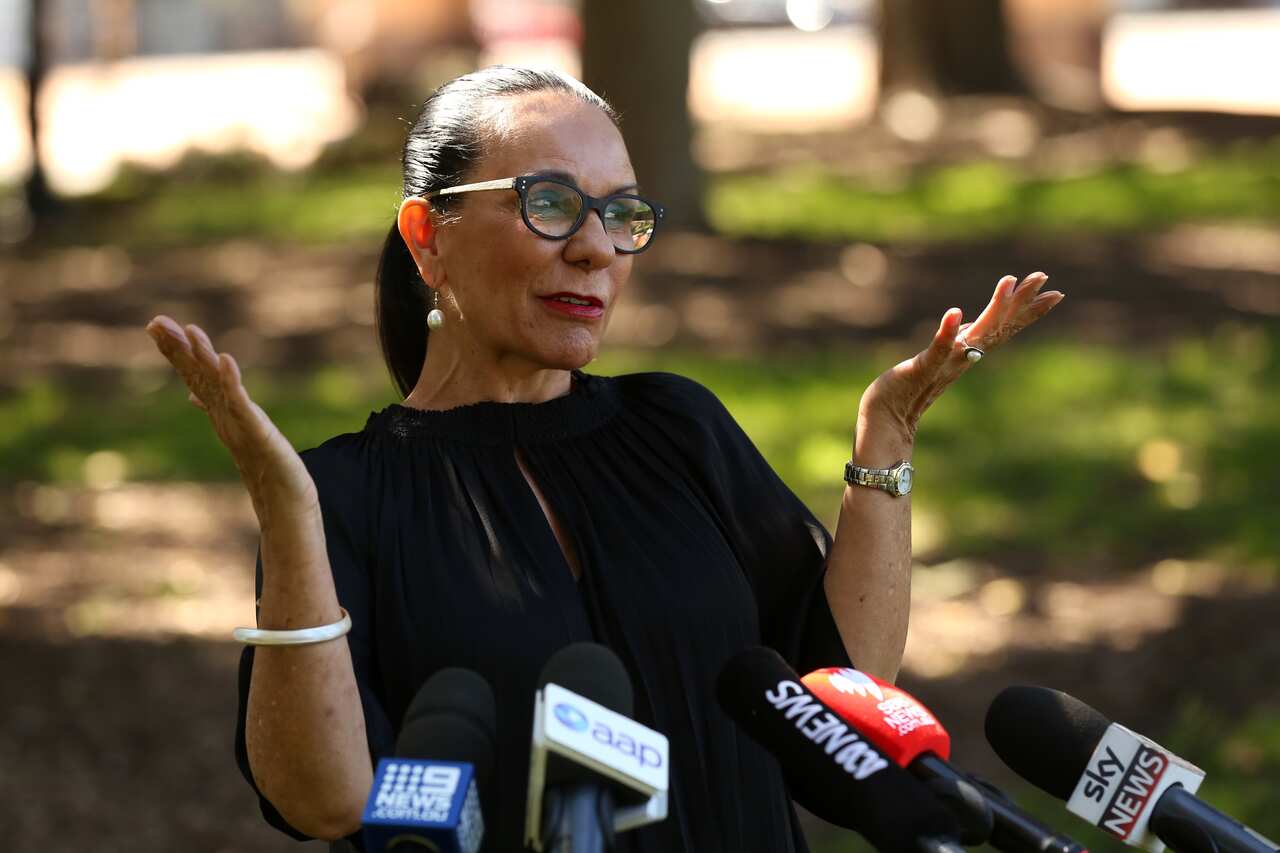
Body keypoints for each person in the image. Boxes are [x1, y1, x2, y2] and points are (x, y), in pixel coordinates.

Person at [144, 66, 1063, 852]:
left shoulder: (678, 426)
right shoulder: (340, 496)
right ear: (428, 237)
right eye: (549, 205)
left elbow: (841, 688)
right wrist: (286, 514)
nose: (595, 247)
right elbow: (324, 797)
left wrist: (888, 431)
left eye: (621, 213)